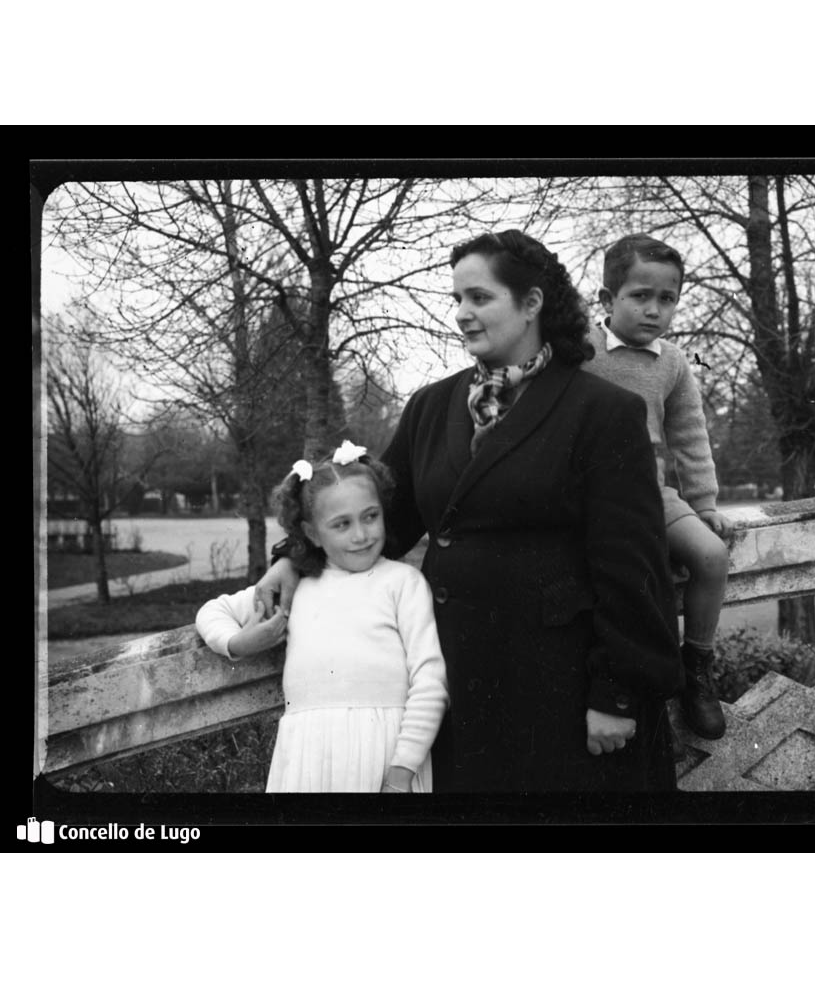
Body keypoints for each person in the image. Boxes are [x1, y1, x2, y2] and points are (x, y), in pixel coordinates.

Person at [257, 229, 681, 792]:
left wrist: (617, 694)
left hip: (562, 687)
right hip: (461, 675)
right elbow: (379, 517)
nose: (462, 314)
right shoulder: (433, 406)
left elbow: (633, 565)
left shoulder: (602, 412)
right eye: (457, 299)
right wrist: (295, 559)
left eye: (479, 298)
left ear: (531, 303)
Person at [196, 442, 448, 793]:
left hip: (389, 762)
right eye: (341, 524)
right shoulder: (296, 586)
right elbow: (213, 611)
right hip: (308, 762)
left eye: (370, 516)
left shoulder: (402, 584)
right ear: (313, 533)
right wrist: (239, 643)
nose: (361, 535)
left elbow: (430, 682)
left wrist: (402, 771)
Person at [582, 233, 733, 740]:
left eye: (666, 299)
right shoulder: (577, 351)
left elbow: (689, 434)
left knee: (711, 557)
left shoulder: (672, 362)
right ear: (607, 300)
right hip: (590, 498)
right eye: (639, 296)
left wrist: (704, 503)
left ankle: (697, 667)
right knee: (632, 583)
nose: (654, 311)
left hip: (653, 496)